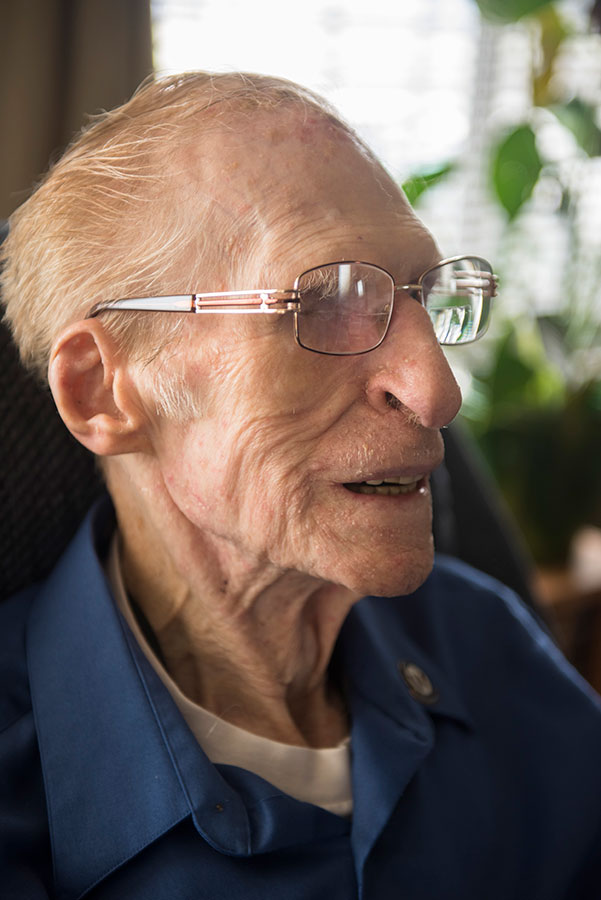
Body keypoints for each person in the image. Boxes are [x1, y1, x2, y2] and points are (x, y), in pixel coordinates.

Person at [0, 72, 599, 900]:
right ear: (102, 392)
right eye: (325, 303)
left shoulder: (481, 640)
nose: (436, 394)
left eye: (425, 297)